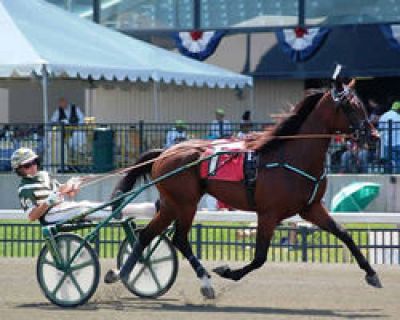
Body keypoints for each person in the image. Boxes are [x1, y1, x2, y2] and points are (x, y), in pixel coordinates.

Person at [11, 147, 156, 225]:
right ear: (19, 169)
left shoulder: (44, 176)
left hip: (63, 209)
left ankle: (152, 209)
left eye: (35, 162)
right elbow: (31, 216)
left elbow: (64, 192)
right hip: (51, 215)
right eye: (28, 165)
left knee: (90, 205)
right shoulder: (24, 189)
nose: (33, 166)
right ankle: (146, 210)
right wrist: (49, 201)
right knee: (85, 207)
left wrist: (72, 184)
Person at [378, 101, 400, 173]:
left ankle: (388, 174)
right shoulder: (398, 117)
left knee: (388, 161)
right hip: (398, 142)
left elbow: (380, 129)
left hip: (387, 142)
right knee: (398, 161)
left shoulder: (384, 116)